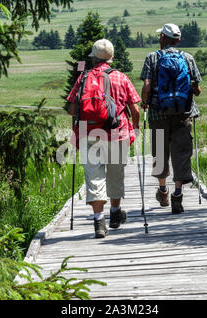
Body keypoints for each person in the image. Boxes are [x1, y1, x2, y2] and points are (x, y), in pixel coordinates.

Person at [67, 39, 141, 238]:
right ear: (111, 58)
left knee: (94, 176)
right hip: (118, 133)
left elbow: (72, 109)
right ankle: (115, 214)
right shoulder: (120, 77)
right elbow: (135, 108)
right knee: (116, 174)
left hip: (89, 133)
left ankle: (99, 221)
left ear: (93, 57)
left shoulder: (83, 78)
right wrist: (135, 127)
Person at [140, 24, 202, 214]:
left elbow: (147, 85)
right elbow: (197, 90)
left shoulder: (152, 57)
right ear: (177, 40)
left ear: (163, 39)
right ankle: (177, 195)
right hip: (183, 114)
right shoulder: (188, 57)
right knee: (181, 153)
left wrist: (144, 103)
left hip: (158, 114)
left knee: (160, 153)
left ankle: (163, 190)